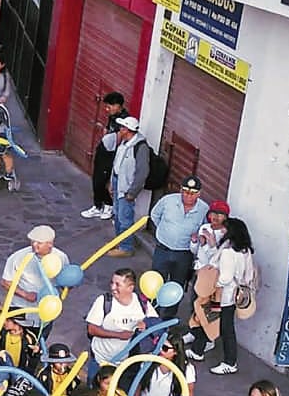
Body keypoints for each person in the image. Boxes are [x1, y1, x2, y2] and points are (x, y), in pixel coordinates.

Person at [185, 217, 256, 376]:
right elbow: (249, 274)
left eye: (225, 229)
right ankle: (198, 350)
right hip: (231, 296)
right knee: (207, 319)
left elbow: (225, 278)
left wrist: (211, 283)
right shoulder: (245, 251)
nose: (222, 231)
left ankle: (230, 362)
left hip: (221, 296)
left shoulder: (228, 253)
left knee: (221, 326)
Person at [149, 175, 209, 316]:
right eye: (185, 191)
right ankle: (151, 316)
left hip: (184, 254)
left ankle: (167, 322)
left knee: (176, 287)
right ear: (181, 190)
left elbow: (204, 229)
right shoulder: (168, 201)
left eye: (192, 193)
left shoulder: (204, 209)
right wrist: (165, 233)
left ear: (199, 194)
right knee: (156, 284)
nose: (188, 196)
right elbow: (155, 215)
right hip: (163, 249)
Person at [1, 226, 69, 338]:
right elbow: (5, 282)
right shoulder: (18, 257)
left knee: (37, 348)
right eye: (33, 241)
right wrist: (25, 294)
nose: (34, 245)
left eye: (39, 242)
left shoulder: (61, 258)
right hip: (21, 315)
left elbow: (65, 281)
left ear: (50, 243)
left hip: (45, 316)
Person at [85, 268, 158, 365]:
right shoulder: (104, 301)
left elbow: (156, 324)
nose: (112, 288)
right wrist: (119, 335)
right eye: (112, 283)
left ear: (130, 288)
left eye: (117, 284)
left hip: (129, 364)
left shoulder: (142, 303)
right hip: (101, 360)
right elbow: (92, 329)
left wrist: (146, 324)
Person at [82, 93, 129, 220]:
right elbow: (107, 130)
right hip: (104, 150)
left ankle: (108, 206)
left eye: (109, 107)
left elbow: (120, 139)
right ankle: (97, 206)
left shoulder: (125, 120)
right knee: (97, 178)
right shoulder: (112, 116)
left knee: (104, 180)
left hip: (112, 154)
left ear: (118, 106)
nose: (107, 110)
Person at [107, 116, 149, 257]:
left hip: (127, 188)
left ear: (129, 130)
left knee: (125, 218)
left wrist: (133, 192)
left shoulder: (140, 147)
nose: (120, 129)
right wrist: (112, 182)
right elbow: (117, 163)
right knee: (118, 216)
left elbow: (142, 172)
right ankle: (120, 242)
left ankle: (126, 248)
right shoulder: (124, 143)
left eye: (123, 128)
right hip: (118, 182)